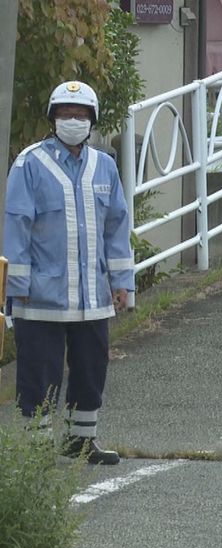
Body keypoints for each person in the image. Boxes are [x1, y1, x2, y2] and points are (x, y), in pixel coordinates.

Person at [4, 80, 135, 465]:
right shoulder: (29, 163)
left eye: (80, 115)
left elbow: (116, 227)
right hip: (40, 296)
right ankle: (37, 448)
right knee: (39, 374)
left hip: (92, 297)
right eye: (65, 114)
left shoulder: (105, 166)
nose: (73, 121)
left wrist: (122, 283)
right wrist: (17, 285)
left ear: (92, 121)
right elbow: (16, 226)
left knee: (91, 369)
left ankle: (81, 440)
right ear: (52, 119)